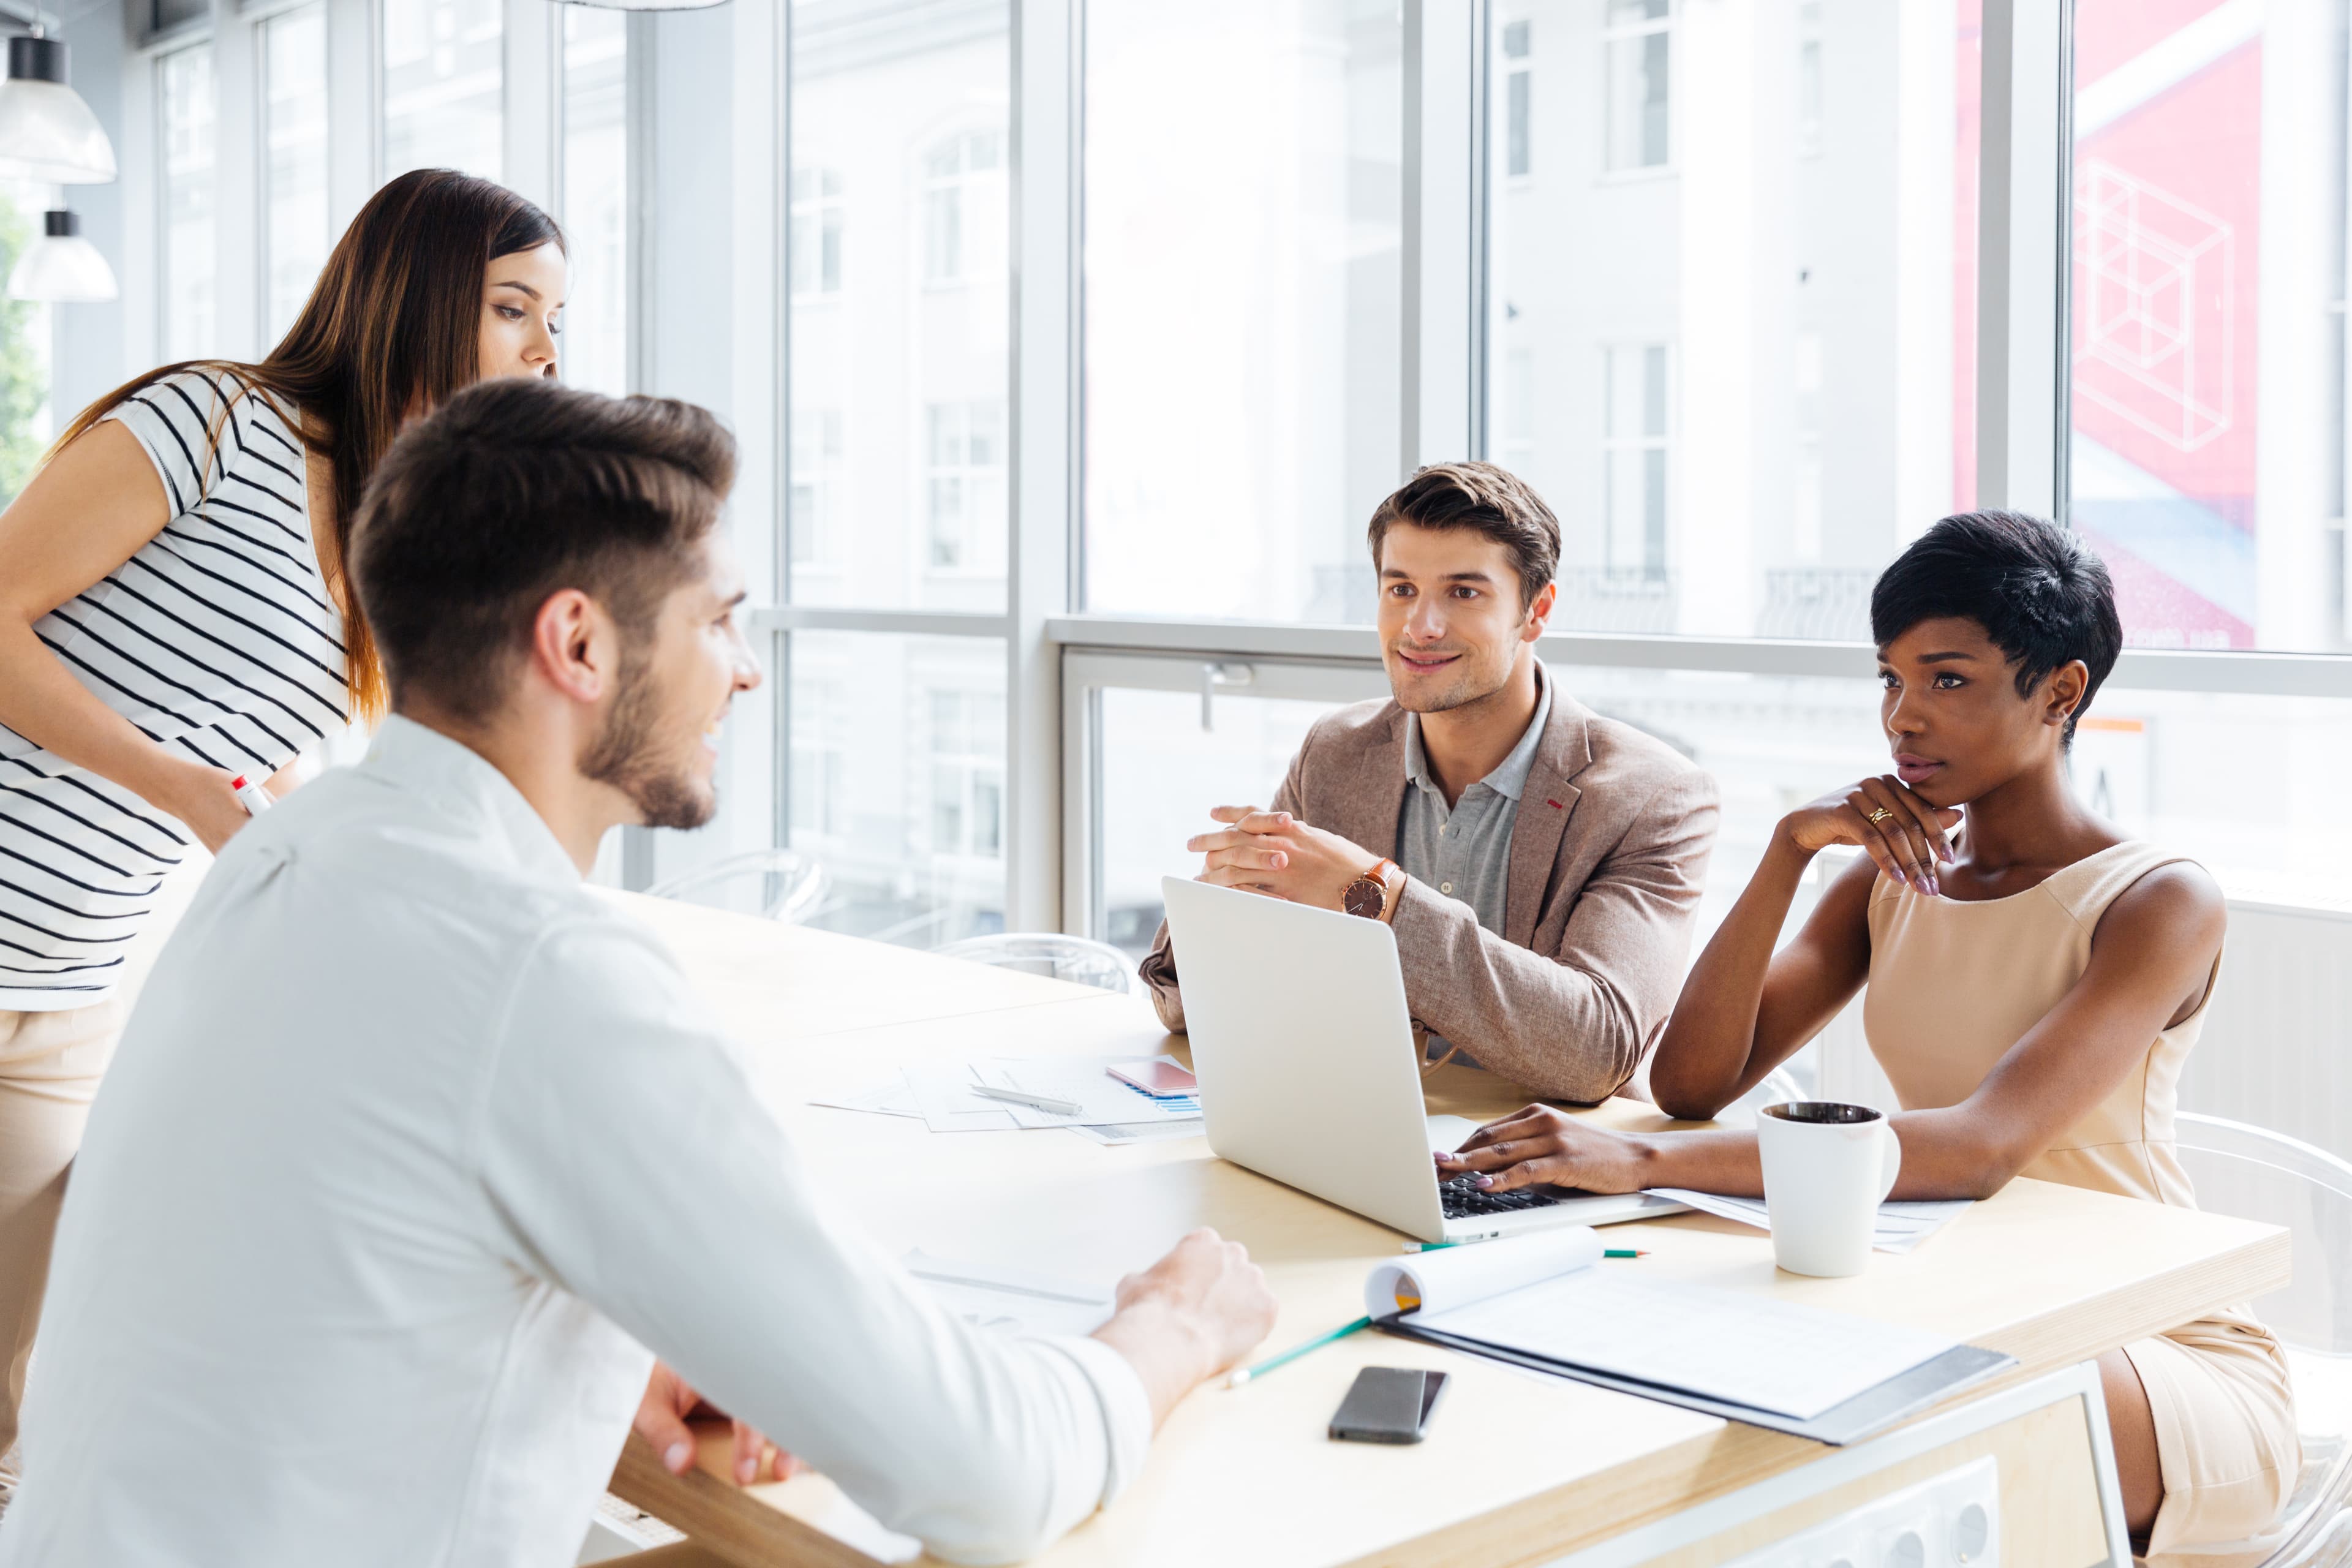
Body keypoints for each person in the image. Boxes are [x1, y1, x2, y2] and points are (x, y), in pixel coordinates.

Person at [0, 379, 1277, 1567]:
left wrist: (599, 1331)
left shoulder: (292, 856)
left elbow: (310, 1255)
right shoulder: (544, 970)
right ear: (579, 643)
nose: (746, 667)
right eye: (718, 618)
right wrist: (1171, 1324)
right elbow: (988, 1474)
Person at [1438, 511, 2297, 1562]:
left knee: (1897, 1421)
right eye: (1888, 679)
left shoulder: (2159, 901)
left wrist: (1638, 1161)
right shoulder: (1888, 881)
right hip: (1955, 1297)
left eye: (1947, 680)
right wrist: (1790, 850)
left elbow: (1981, 1146)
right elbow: (1697, 1078)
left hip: (2143, 1347)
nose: (1902, 718)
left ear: (2061, 692)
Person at [0, 168, 568, 1512]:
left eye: (558, 320)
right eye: (512, 307)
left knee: (27, 1387)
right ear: (417, 294)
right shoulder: (212, 421)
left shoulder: (396, 542)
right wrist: (180, 786)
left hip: (74, 990)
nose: (544, 348)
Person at [1140, 462, 1718, 1101]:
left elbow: (1596, 1051)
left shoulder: (1650, 797)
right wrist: (1221, 910)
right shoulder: (1335, 754)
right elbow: (1186, 1007)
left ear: (1536, 610)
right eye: (1401, 590)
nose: (1420, 627)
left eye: (1463, 593)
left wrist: (1377, 896)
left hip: (1548, 1166)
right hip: (1352, 1130)